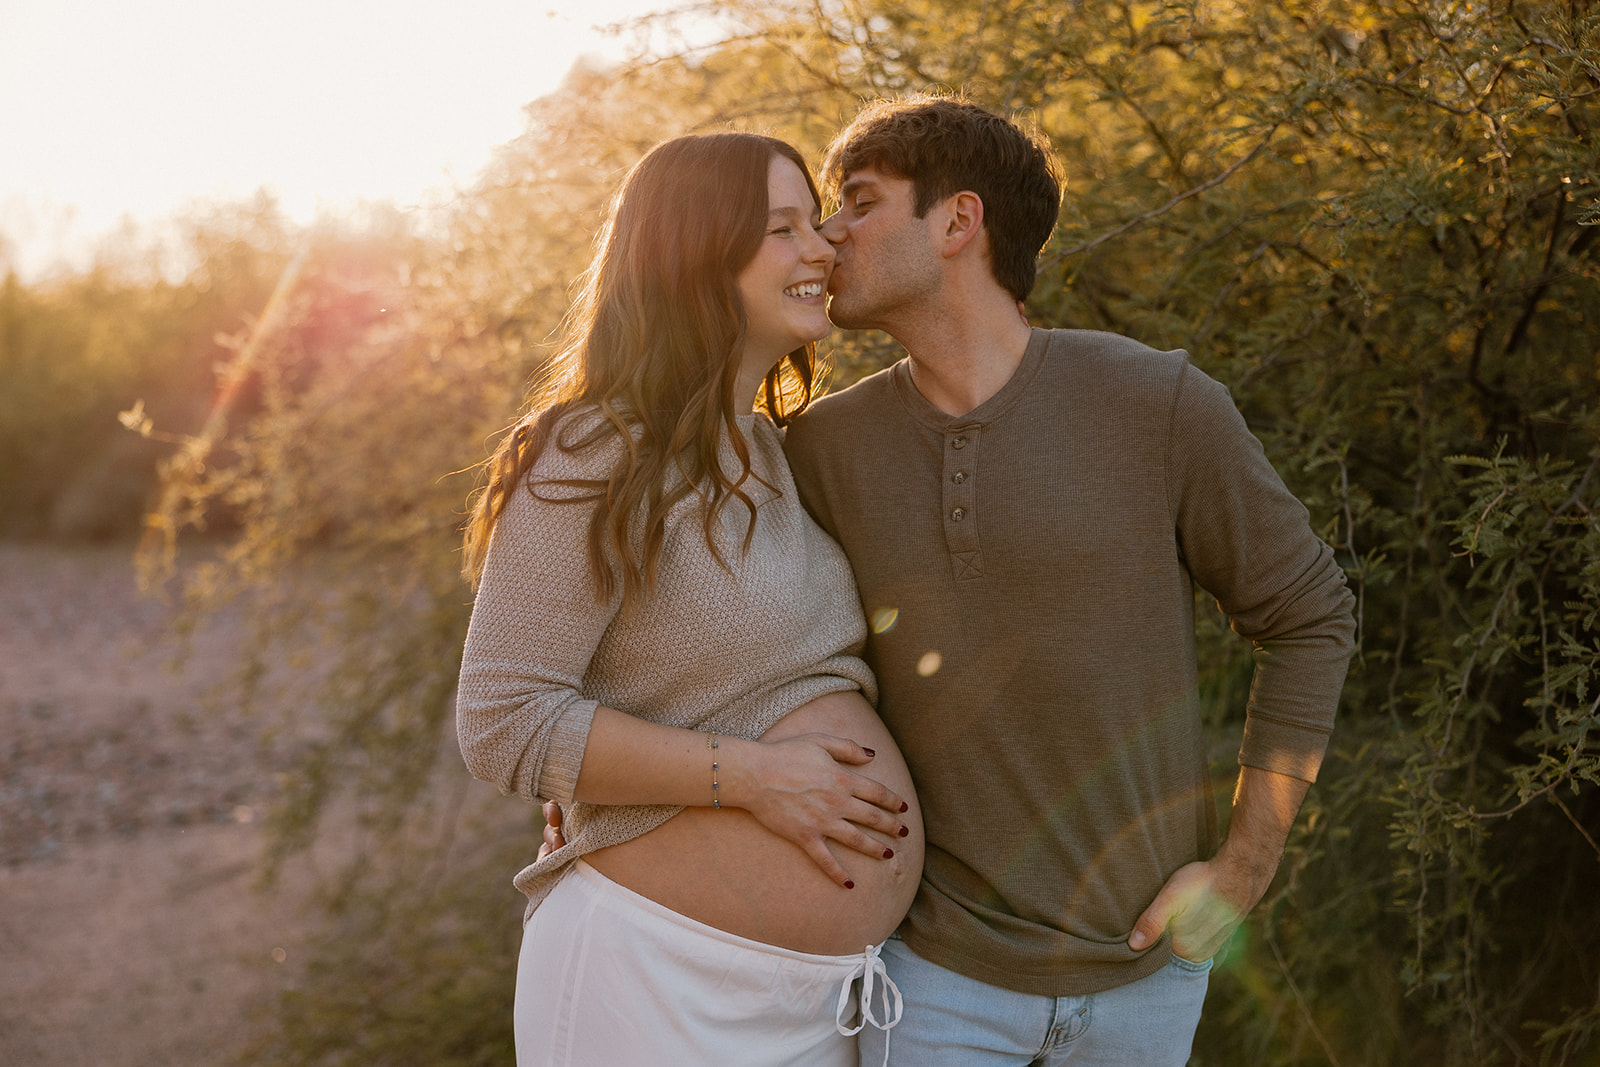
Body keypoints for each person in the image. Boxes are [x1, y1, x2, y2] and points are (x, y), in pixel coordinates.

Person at [781, 95, 1358, 1065]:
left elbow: (1308, 616)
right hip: (929, 977)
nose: (828, 233)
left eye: (859, 202)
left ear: (958, 222)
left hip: (1146, 974)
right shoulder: (822, 449)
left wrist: (1244, 865)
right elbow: (733, 633)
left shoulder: (1155, 401)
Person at [456, 132, 925, 1067]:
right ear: (697, 255)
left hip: (821, 1004)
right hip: (653, 985)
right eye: (783, 229)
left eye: (816, 223)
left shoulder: (773, 452)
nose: (822, 248)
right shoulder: (595, 451)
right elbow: (503, 720)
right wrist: (755, 777)